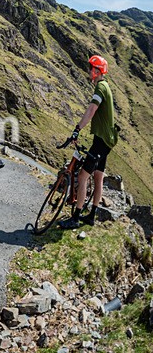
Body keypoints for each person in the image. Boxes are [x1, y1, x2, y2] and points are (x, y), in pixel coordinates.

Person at [59, 55, 119, 229]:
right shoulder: (106, 86)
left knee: (83, 176)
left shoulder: (100, 87)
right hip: (107, 140)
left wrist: (77, 129)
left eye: (91, 68)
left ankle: (75, 218)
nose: (89, 71)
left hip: (101, 140)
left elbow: (92, 109)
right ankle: (91, 216)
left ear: (97, 71)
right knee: (98, 177)